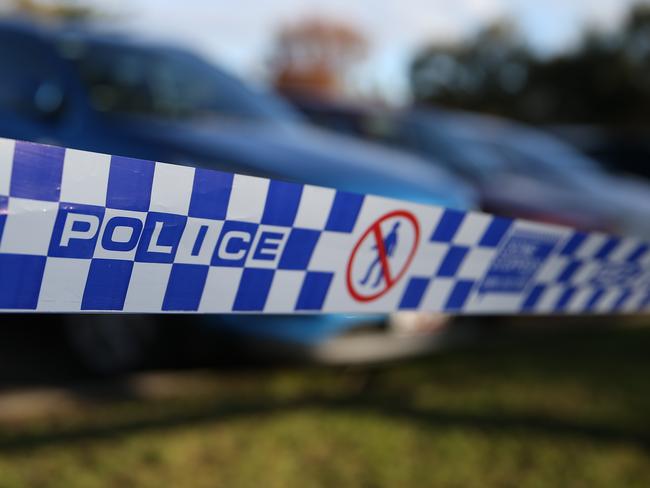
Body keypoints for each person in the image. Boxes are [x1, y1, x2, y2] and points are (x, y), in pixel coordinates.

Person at [359, 221, 400, 288]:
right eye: (394, 225)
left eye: (395, 225)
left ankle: (376, 283)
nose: (393, 226)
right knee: (374, 267)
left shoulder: (394, 234)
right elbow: (383, 241)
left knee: (380, 269)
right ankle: (366, 281)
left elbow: (393, 245)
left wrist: (391, 252)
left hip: (385, 253)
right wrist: (375, 246)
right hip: (381, 252)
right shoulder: (390, 233)